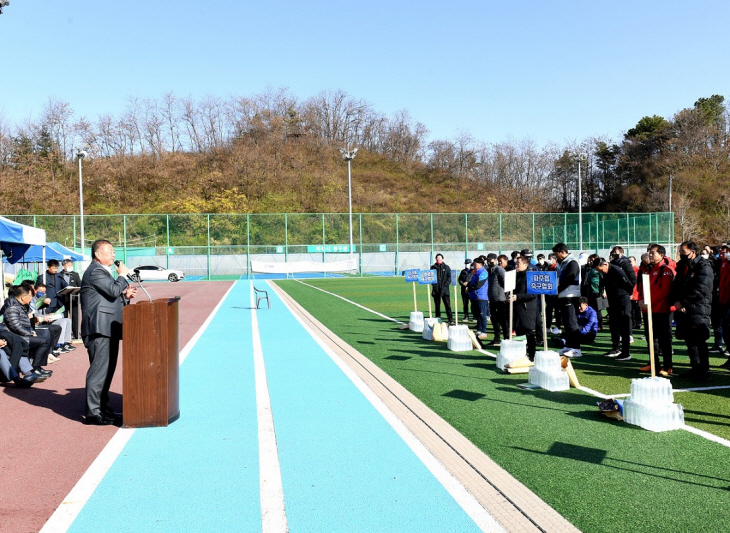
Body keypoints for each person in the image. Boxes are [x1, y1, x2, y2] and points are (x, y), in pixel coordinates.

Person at [81, 239, 137, 426]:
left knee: (107, 370)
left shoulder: (103, 272)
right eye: (110, 251)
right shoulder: (95, 271)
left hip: (108, 328)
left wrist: (126, 296)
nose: (114, 255)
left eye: (114, 252)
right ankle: (93, 412)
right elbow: (113, 291)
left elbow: (112, 297)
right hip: (99, 329)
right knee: (99, 371)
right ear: (98, 254)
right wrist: (122, 276)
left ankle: (102, 408)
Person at [671, 241, 714, 382]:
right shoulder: (683, 266)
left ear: (693, 252)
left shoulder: (704, 267)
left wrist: (683, 301)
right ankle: (695, 368)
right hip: (686, 309)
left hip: (699, 309)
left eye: (683, 252)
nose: (681, 255)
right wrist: (678, 301)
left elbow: (701, 290)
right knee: (690, 341)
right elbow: (677, 285)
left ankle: (705, 370)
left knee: (699, 341)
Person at [638, 245, 676, 377]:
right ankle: (654, 363)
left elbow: (664, 292)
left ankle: (668, 366)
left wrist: (648, 302)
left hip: (661, 310)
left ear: (661, 255)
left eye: (653, 253)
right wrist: (640, 300)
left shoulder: (666, 270)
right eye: (649, 252)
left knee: (664, 339)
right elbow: (643, 288)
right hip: (648, 310)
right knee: (650, 338)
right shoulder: (648, 269)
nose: (650, 255)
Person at [0, 285, 53, 378]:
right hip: (17, 336)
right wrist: (30, 333)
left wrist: (32, 331)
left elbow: (26, 324)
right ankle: (35, 368)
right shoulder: (12, 308)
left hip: (22, 334)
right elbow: (15, 326)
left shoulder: (22, 306)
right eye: (30, 296)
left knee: (46, 334)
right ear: (23, 297)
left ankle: (37, 366)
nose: (32, 298)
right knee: (44, 341)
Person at [593, 250, 636, 361]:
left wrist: (626, 294)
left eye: (600, 269)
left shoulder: (617, 270)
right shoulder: (605, 273)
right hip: (612, 301)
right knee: (613, 325)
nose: (600, 272)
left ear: (605, 264)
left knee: (624, 327)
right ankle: (615, 348)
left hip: (622, 300)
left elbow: (629, 284)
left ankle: (626, 353)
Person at [552, 243, 582, 354]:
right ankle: (569, 346)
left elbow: (570, 279)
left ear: (563, 252)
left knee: (571, 323)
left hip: (571, 296)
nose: (556, 256)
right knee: (566, 323)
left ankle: (576, 349)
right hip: (563, 296)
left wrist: (557, 290)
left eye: (557, 254)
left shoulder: (572, 262)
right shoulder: (562, 263)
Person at [511, 256, 538, 361]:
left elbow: (533, 294)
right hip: (517, 308)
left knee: (528, 333)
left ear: (526, 265)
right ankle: (521, 354)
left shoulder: (530, 276)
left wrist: (518, 297)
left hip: (527, 309)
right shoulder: (515, 276)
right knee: (519, 333)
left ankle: (532, 355)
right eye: (516, 263)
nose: (516, 265)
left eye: (519, 263)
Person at [486, 253, 507, 346]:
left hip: (500, 299)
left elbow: (505, 284)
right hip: (492, 299)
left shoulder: (499, 270)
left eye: (491, 260)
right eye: (488, 260)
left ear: (495, 260)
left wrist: (505, 296)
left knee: (502, 320)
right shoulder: (489, 270)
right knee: (494, 320)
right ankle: (497, 338)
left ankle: (506, 338)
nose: (490, 262)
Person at [467, 257, 489, 339]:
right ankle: (479, 329)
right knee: (477, 314)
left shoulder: (483, 273)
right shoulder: (475, 272)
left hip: (481, 296)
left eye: (475, 264)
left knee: (482, 314)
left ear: (480, 264)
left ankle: (484, 331)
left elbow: (478, 284)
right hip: (474, 296)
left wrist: (469, 288)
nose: (474, 265)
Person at [61, 258, 82, 338]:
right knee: (64, 317)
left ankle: (76, 334)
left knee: (75, 318)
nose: (70, 266)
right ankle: (65, 335)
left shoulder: (75, 274)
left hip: (74, 300)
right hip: (63, 300)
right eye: (68, 265)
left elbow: (79, 284)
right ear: (64, 266)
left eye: (71, 265)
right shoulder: (60, 275)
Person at [430, 254, 453, 323]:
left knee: (447, 305)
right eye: (437, 258)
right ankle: (437, 317)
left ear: (442, 259)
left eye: (440, 258)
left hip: (445, 290)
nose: (438, 259)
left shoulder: (446, 267)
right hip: (436, 290)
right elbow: (431, 277)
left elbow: (449, 277)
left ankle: (450, 319)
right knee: (437, 305)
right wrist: (434, 284)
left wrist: (446, 285)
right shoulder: (433, 267)